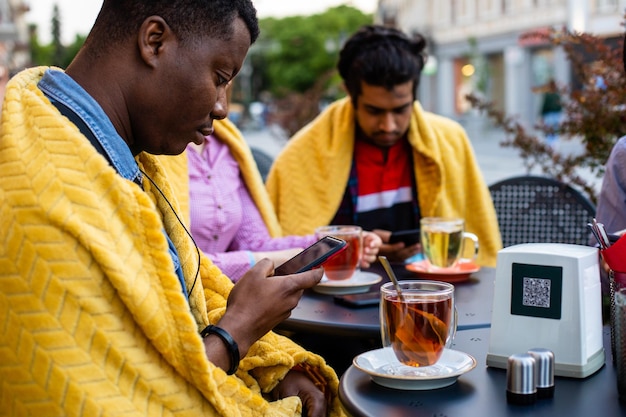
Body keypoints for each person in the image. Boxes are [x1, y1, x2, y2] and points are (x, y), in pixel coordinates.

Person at [0, 2, 344, 416]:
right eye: (219, 78)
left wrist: (272, 363)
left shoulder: (110, 156)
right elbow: (119, 401)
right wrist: (237, 333)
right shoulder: (46, 194)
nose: (221, 106)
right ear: (154, 41)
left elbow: (178, 307)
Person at [266, 25, 502, 267]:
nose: (388, 126)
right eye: (374, 111)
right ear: (349, 92)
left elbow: (479, 242)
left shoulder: (451, 140)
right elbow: (283, 253)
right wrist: (358, 249)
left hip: (430, 290)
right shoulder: (301, 155)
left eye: (400, 110)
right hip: (332, 297)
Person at [163, 117, 381, 282]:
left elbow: (254, 242)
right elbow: (174, 263)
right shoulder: (157, 149)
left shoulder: (226, 147)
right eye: (218, 78)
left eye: (229, 81)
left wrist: (336, 244)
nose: (222, 108)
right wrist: (266, 260)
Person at [539, 78, 563, 148]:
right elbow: (560, 105)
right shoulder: (556, 95)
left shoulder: (548, 95)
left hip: (549, 114)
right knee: (555, 128)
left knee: (549, 128)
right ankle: (554, 142)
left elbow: (545, 105)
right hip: (555, 114)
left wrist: (542, 114)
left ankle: (550, 143)